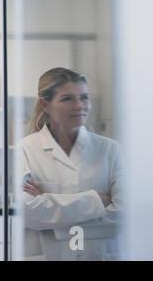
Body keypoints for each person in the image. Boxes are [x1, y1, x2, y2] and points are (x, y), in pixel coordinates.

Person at [21, 67, 123, 261]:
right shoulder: (25, 149)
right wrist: (99, 200)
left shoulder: (110, 150)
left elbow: (124, 215)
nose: (79, 106)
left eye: (84, 98)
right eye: (67, 98)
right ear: (45, 104)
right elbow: (27, 212)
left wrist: (50, 206)